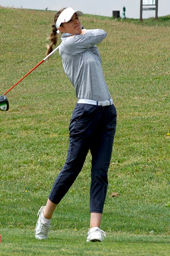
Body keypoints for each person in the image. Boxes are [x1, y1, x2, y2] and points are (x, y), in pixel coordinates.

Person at [35, 7, 117, 242]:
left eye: (77, 18)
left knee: (100, 171)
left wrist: (80, 32)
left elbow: (100, 33)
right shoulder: (69, 45)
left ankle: (94, 229)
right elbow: (100, 34)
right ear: (61, 28)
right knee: (72, 168)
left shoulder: (83, 42)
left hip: (107, 112)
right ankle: (45, 216)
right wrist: (78, 34)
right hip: (85, 113)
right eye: (71, 21)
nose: (77, 21)